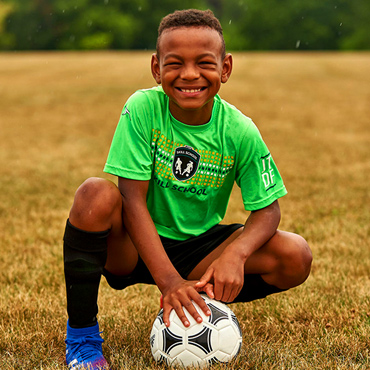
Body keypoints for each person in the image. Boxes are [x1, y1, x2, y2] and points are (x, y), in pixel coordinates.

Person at [63, 9, 312, 370]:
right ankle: (82, 339)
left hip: (199, 252)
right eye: (175, 63)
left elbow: (268, 210)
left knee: (295, 255)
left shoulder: (239, 130)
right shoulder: (143, 108)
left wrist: (235, 255)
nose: (190, 74)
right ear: (156, 67)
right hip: (133, 244)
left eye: (204, 63)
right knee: (93, 195)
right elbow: (131, 198)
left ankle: (200, 302)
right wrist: (167, 281)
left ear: (225, 68)